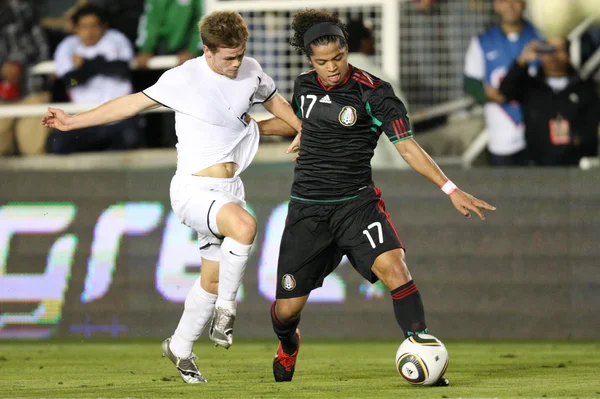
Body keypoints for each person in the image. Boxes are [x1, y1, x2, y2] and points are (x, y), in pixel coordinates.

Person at [42, 10, 301, 384]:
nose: (235, 64)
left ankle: (180, 347)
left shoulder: (251, 69)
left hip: (230, 189)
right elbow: (128, 104)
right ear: (207, 51)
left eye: (239, 55)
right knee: (244, 227)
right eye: (227, 58)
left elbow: (272, 99)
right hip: (193, 189)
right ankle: (227, 312)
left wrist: (300, 127)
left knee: (211, 280)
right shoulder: (183, 78)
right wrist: (72, 120)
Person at [258, 10, 495, 384]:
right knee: (286, 311)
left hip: (356, 204)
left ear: (346, 50)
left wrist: (449, 188)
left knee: (395, 268)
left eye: (337, 58)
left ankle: (420, 344)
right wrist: (245, 127)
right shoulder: (303, 86)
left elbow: (408, 147)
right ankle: (288, 344)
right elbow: (296, 122)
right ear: (309, 60)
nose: (331, 68)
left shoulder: (374, 92)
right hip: (308, 209)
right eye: (322, 62)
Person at [47, 5, 143, 154]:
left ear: (103, 26)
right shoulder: (67, 46)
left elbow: (121, 71)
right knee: (56, 145)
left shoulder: (115, 39)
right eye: (84, 26)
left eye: (94, 26)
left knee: (132, 140)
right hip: (83, 119)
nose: (89, 31)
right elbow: (71, 81)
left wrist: (85, 65)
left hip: (120, 118)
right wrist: (99, 65)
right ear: (75, 28)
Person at [464, 0, 543, 166]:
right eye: (504, 1)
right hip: (502, 136)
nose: (510, 5)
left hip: (538, 135)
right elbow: (470, 83)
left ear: (525, 4)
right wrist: (487, 94)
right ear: (496, 5)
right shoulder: (483, 42)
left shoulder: (540, 38)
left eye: (516, 1)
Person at [499, 38, 599, 166]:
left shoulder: (585, 87)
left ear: (569, 54)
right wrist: (522, 60)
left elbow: (592, 125)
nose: (553, 56)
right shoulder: (530, 86)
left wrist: (578, 138)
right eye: (549, 50)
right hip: (538, 167)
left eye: (559, 50)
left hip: (578, 165)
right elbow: (505, 91)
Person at [0, 0, 51, 156]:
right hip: (2, 96)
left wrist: (16, 63)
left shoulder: (23, 8)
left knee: (33, 151)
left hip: (30, 89)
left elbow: (41, 48)